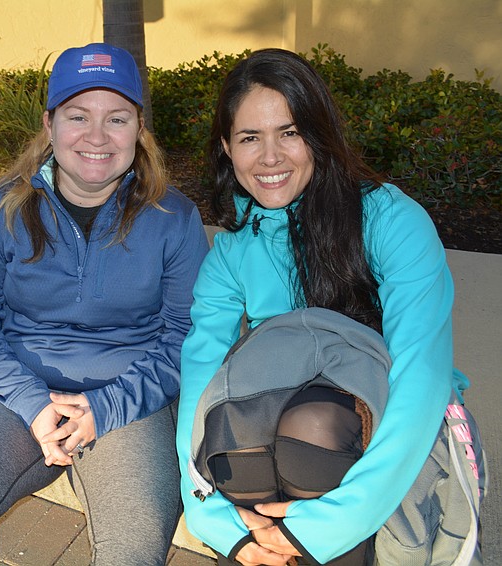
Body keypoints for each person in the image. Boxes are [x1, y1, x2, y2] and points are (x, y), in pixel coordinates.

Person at [0, 43, 209, 565]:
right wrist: (32, 403)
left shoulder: (174, 218)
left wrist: (109, 406)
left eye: (117, 119)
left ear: (139, 130)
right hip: (14, 388)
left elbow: (186, 335)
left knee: (133, 545)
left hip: (129, 398)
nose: (97, 137)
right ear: (49, 124)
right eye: (78, 116)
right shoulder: (1, 205)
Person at [176, 48, 475, 565]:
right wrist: (213, 518)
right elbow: (201, 379)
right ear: (226, 148)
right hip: (286, 431)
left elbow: (420, 375)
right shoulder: (231, 251)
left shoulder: (390, 221)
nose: (270, 157)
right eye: (250, 138)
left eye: (289, 132)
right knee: (231, 439)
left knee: (312, 427)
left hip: (388, 420)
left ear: (319, 134)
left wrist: (331, 525)